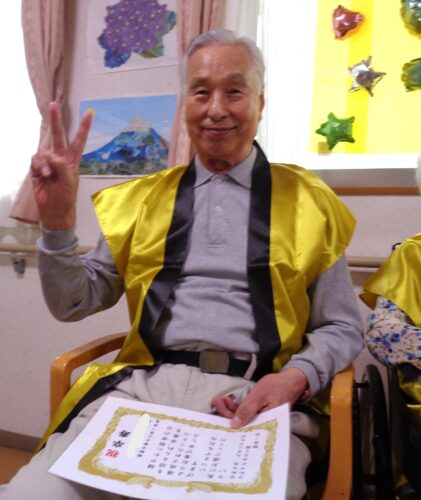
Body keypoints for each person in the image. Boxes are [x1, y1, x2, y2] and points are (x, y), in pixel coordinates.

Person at [1, 29, 363, 499]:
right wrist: (57, 225)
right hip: (142, 389)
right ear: (184, 104)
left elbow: (341, 325)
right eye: (201, 92)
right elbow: (74, 303)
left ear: (260, 103)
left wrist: (295, 378)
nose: (216, 109)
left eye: (235, 91)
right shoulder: (142, 200)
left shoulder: (310, 202)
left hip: (252, 398)